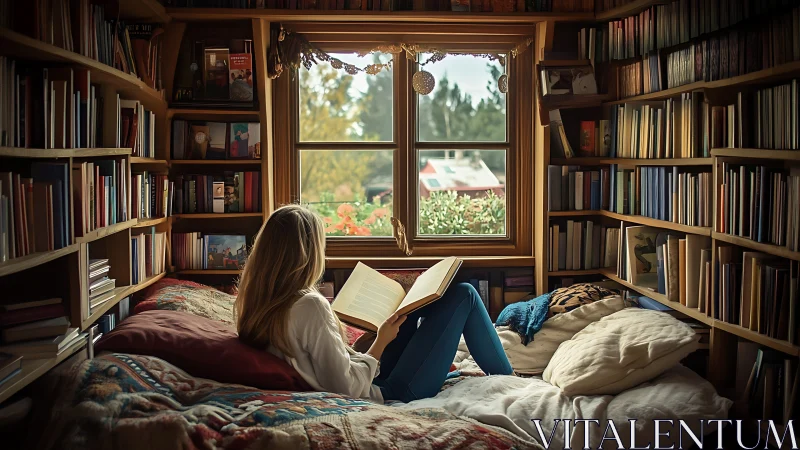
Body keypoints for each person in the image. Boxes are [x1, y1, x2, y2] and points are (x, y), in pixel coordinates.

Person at [235, 204, 512, 404]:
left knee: (412, 309)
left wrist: (357, 349)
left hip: (374, 376)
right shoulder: (309, 306)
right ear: (307, 254)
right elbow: (347, 388)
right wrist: (380, 342)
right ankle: (511, 381)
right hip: (391, 390)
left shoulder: (261, 305)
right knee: (464, 294)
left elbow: (314, 359)